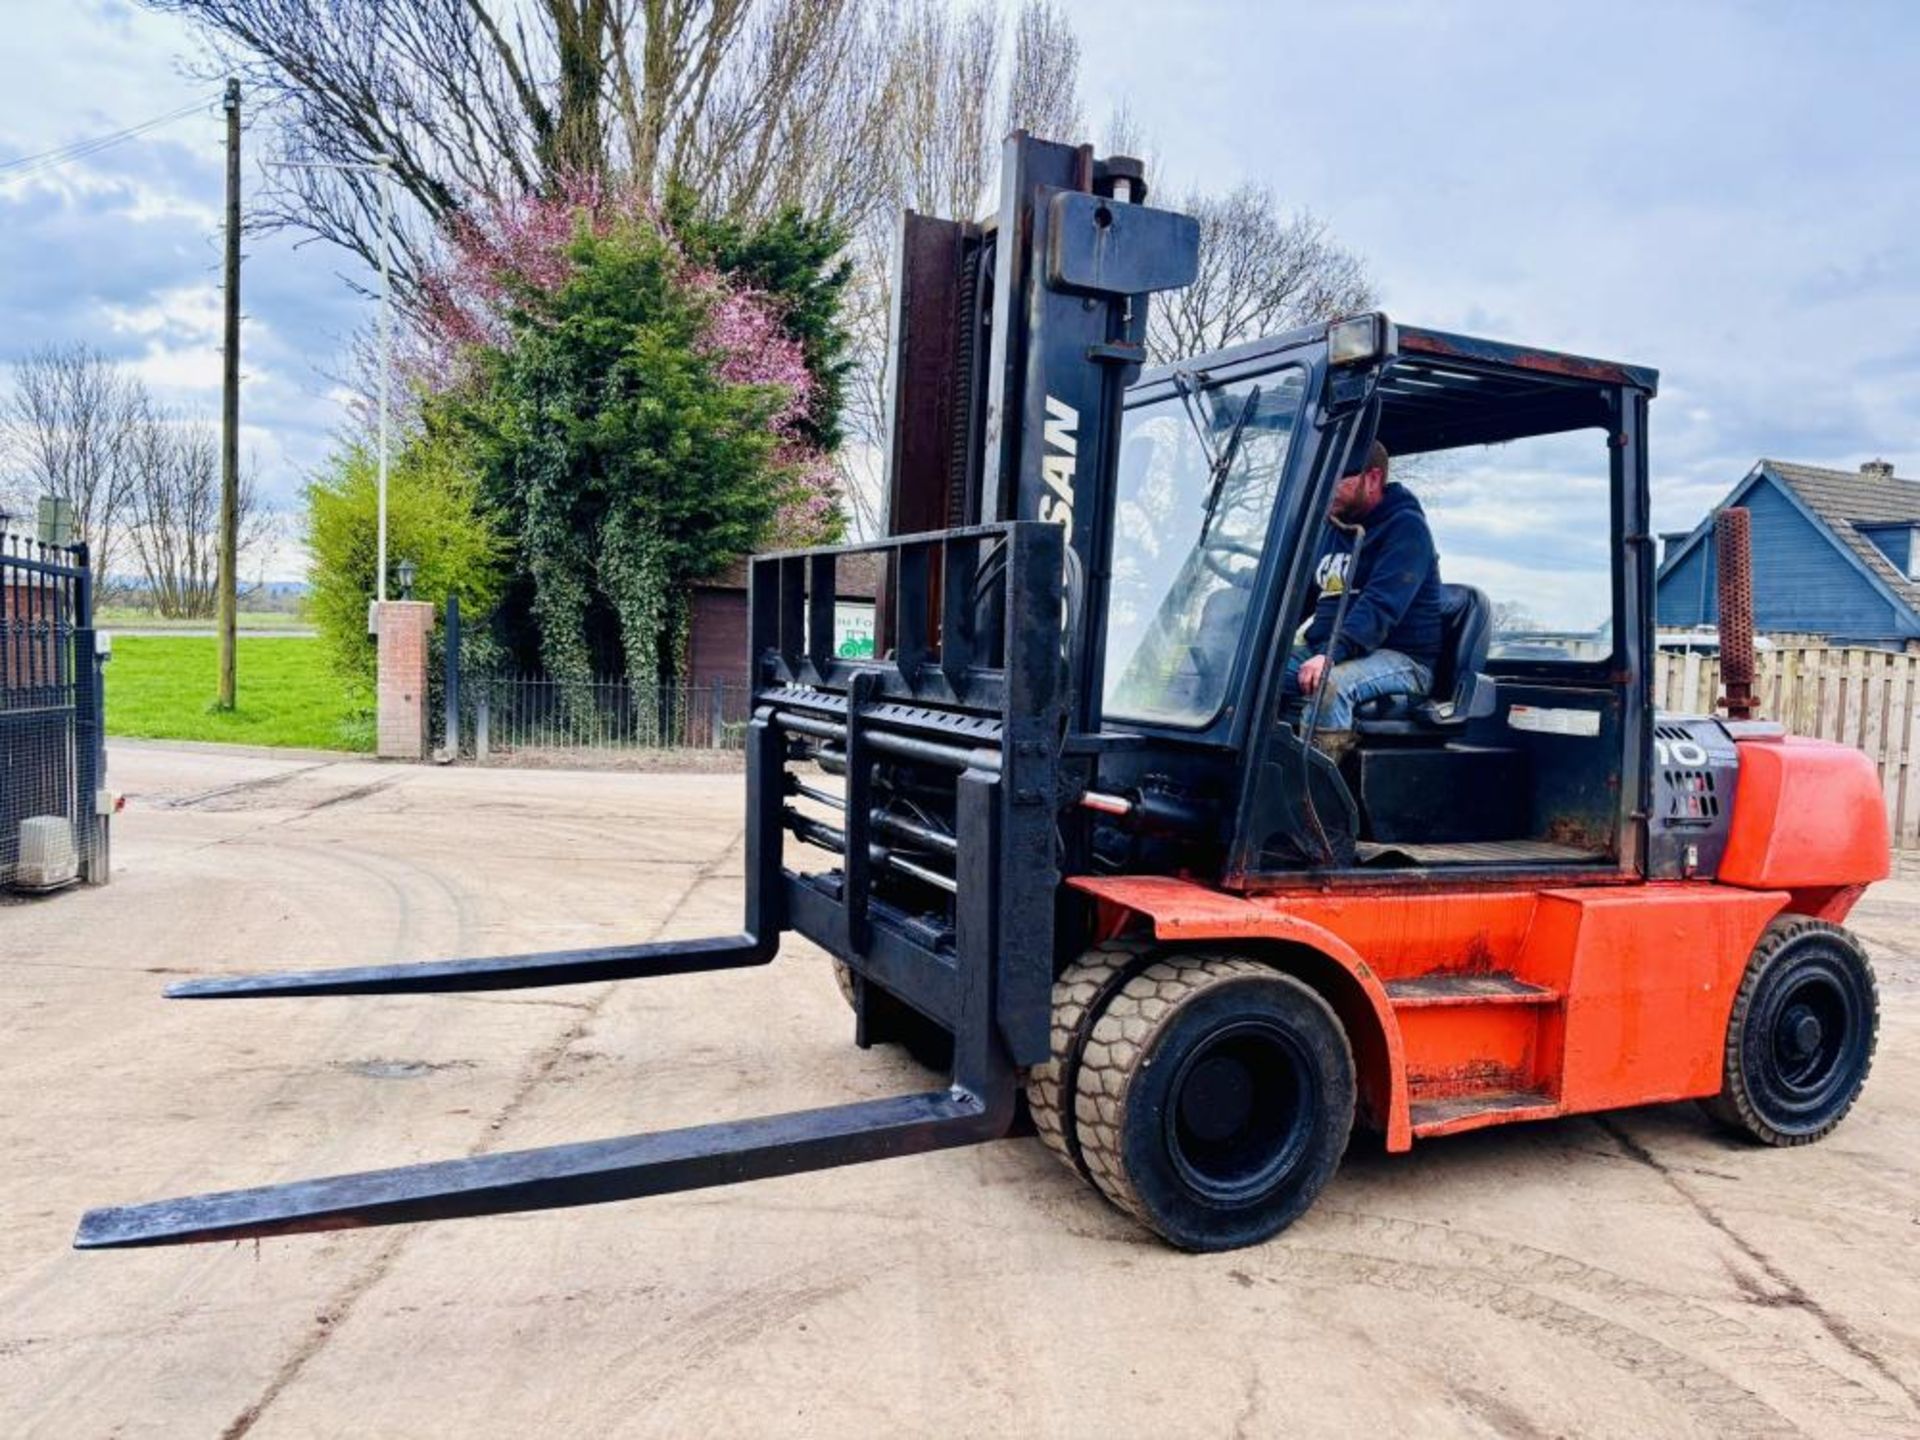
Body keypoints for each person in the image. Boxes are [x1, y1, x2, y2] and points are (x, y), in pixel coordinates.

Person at [1284, 441, 1443, 764]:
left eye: (1335, 478)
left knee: (1329, 686)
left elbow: (1379, 607)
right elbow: (1300, 596)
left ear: (1372, 479)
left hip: (1401, 659)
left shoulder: (1407, 529)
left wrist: (1330, 654)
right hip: (1330, 650)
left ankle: (1314, 803)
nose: (1324, 488)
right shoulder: (1335, 528)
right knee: (1254, 674)